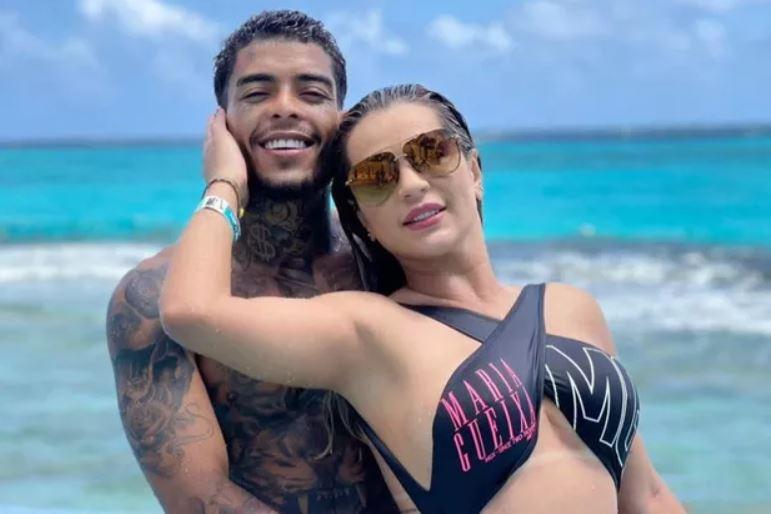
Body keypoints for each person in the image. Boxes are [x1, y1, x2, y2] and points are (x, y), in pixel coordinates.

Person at [160, 84, 687, 513]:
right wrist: (225, 184)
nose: (411, 184)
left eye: (432, 152)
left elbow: (646, 496)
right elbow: (190, 312)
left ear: (474, 171)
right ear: (362, 217)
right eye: (376, 176)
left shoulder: (571, 308)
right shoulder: (366, 331)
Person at [106, 10, 397, 514]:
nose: (285, 109)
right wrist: (223, 185)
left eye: (312, 93)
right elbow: (201, 498)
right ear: (222, 123)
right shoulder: (153, 296)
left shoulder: (385, 265)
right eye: (258, 93)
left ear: (343, 122)